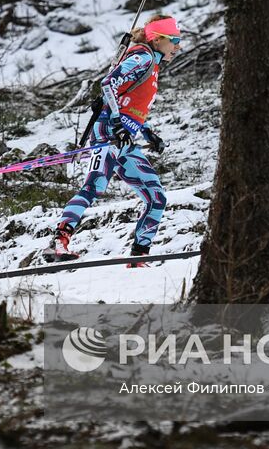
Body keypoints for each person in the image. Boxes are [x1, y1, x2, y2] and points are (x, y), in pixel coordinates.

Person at [45, 14, 182, 267]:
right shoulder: (142, 58)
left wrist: (148, 132)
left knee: (157, 196)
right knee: (94, 186)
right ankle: (58, 241)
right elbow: (108, 84)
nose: (178, 46)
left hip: (125, 139)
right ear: (157, 38)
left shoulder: (152, 64)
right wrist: (117, 124)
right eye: (173, 40)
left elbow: (131, 105)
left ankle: (139, 256)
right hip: (109, 132)